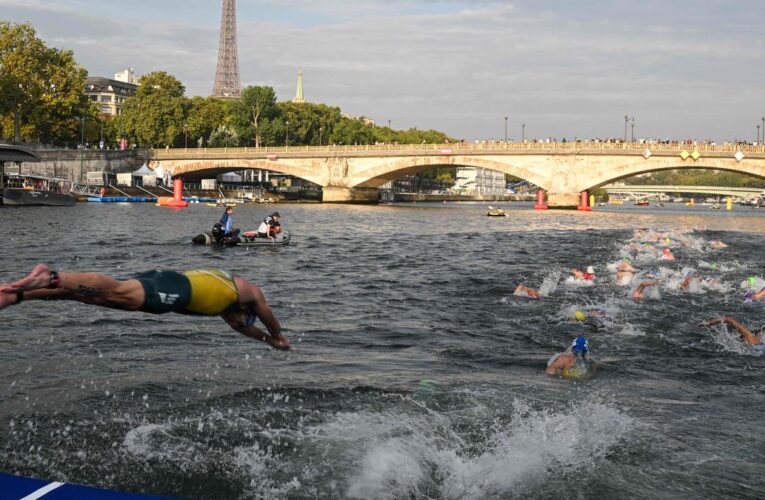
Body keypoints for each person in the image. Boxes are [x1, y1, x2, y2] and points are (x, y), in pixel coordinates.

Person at [0, 264, 290, 350]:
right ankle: (51, 276)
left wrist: (266, 341)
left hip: (168, 288)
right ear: (245, 311)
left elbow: (247, 330)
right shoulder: (246, 293)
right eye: (242, 321)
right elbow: (266, 313)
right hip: (175, 288)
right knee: (119, 290)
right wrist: (276, 335)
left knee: (90, 296)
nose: (238, 325)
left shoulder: (229, 310)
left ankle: (19, 296)